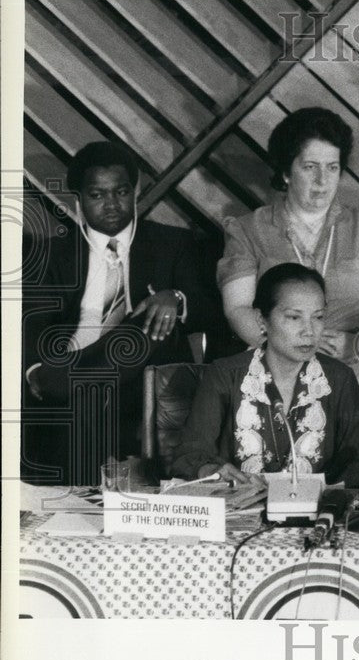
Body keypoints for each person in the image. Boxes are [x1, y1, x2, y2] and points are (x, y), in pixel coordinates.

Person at [21, 141, 222, 485]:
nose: (112, 204)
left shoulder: (173, 243)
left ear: (135, 192)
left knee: (151, 322)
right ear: (78, 200)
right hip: (71, 362)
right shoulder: (52, 253)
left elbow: (210, 315)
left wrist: (175, 298)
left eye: (121, 192)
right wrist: (35, 369)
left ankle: (74, 383)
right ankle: (76, 382)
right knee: (84, 390)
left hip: (141, 376)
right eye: (97, 195)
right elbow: (31, 324)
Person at [217, 107, 359, 391]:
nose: (322, 180)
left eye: (332, 167)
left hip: (352, 376)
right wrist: (292, 349)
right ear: (286, 172)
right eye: (310, 167)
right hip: (273, 375)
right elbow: (237, 309)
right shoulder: (247, 230)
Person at [172, 264, 359, 488]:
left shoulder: (339, 378)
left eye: (318, 317)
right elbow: (189, 455)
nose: (309, 331)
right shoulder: (225, 375)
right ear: (262, 320)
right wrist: (211, 471)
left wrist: (332, 495)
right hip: (237, 508)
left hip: (317, 507)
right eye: (294, 318)